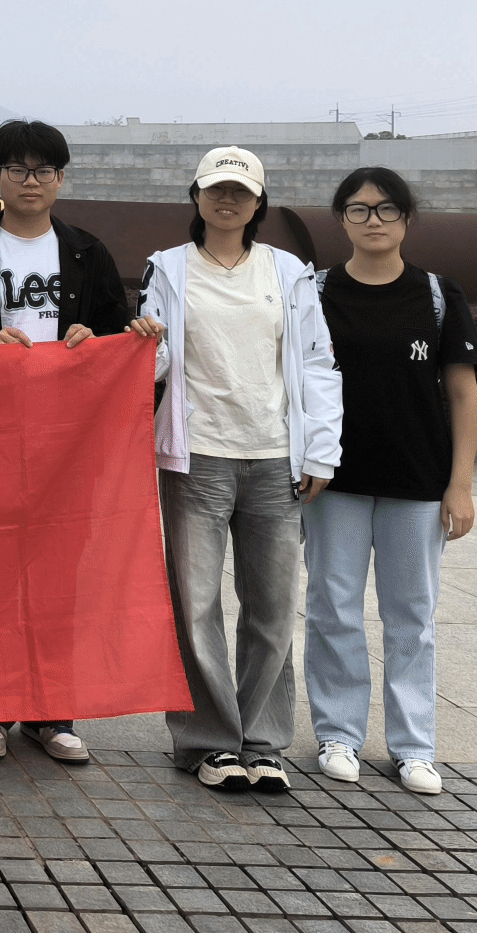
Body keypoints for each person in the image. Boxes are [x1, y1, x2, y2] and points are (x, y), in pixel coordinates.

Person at [0, 118, 162, 766]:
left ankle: (53, 712)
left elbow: (113, 334)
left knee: (60, 574)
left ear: (61, 179)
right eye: (17, 169)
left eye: (43, 170)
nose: (30, 181)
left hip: (66, 442)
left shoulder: (87, 254)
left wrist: (112, 338)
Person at [140, 146, 342, 794]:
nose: (227, 201)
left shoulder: (287, 272)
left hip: (274, 456)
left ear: (258, 204)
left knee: (272, 608)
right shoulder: (170, 268)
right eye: (216, 189)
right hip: (197, 456)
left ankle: (261, 741)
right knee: (195, 604)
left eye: (241, 192)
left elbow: (316, 363)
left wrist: (320, 451)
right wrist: (144, 342)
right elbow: (155, 360)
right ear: (196, 196)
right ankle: (208, 742)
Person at [306, 168, 477, 797]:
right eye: (358, 209)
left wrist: (460, 484)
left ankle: (414, 747)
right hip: (334, 482)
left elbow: (462, 393)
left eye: (386, 209)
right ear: (341, 219)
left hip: (418, 481)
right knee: (333, 609)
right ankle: (338, 734)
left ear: (407, 218)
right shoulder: (315, 292)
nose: (373, 220)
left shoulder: (436, 295)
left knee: (412, 616)